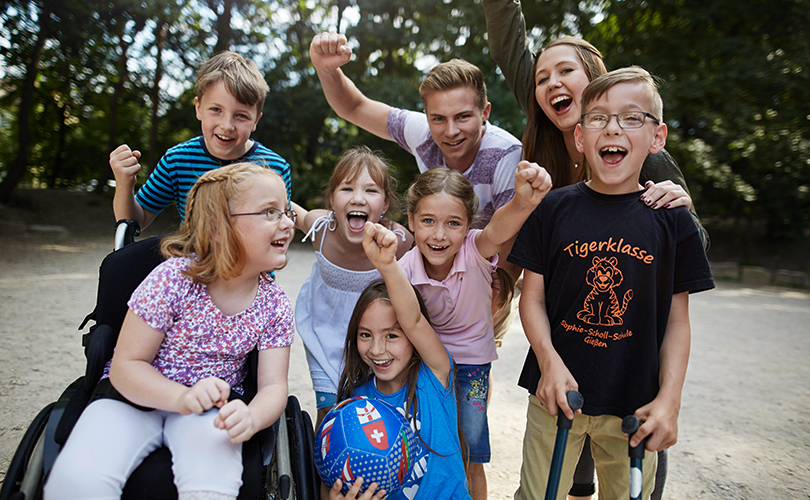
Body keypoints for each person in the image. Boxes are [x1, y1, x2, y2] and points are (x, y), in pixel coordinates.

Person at [482, 2, 710, 496]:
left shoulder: (653, 174)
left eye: (567, 71)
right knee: (555, 470)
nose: (551, 82)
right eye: (542, 77)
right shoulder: (549, 187)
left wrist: (682, 207)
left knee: (622, 476)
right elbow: (508, 47)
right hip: (564, 365)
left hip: (630, 381)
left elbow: (678, 286)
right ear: (582, 133)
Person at [44, 163, 296, 499]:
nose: (288, 223)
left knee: (213, 490)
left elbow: (274, 386)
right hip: (133, 397)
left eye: (287, 211)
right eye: (270, 212)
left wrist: (251, 416)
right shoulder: (173, 279)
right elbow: (127, 365)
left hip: (211, 408)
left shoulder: (274, 304)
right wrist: (180, 397)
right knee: (77, 482)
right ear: (219, 227)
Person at [309, 33, 524, 335]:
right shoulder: (421, 132)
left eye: (463, 117)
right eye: (438, 119)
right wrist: (327, 69)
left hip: (485, 270)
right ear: (426, 116)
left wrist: (498, 292)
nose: (450, 131)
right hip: (433, 266)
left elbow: (512, 238)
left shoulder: (505, 154)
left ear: (484, 112)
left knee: (470, 366)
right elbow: (355, 107)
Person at [395, 163, 551, 500]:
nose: (439, 235)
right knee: (425, 447)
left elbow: (499, 227)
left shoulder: (475, 250)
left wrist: (523, 202)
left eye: (453, 223)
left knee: (470, 454)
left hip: (472, 370)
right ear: (410, 219)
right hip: (424, 369)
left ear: (468, 226)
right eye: (427, 221)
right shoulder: (404, 268)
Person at [324, 221, 473, 500]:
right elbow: (330, 477)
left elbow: (414, 320)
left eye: (392, 335)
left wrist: (388, 265)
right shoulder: (355, 405)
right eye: (365, 334)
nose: (377, 349)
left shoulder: (436, 374)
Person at [292, 146, 413, 428]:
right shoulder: (320, 229)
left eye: (371, 191)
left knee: (373, 416)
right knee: (329, 416)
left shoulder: (398, 240)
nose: (358, 198)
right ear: (332, 200)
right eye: (347, 189)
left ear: (384, 205)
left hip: (375, 340)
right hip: (325, 337)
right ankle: (326, 468)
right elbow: (292, 212)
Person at [110, 51, 292, 230]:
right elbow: (135, 222)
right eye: (216, 110)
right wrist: (125, 184)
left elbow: (281, 229)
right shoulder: (177, 160)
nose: (227, 125)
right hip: (192, 259)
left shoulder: (274, 167)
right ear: (198, 108)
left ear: (255, 121)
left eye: (241, 115)